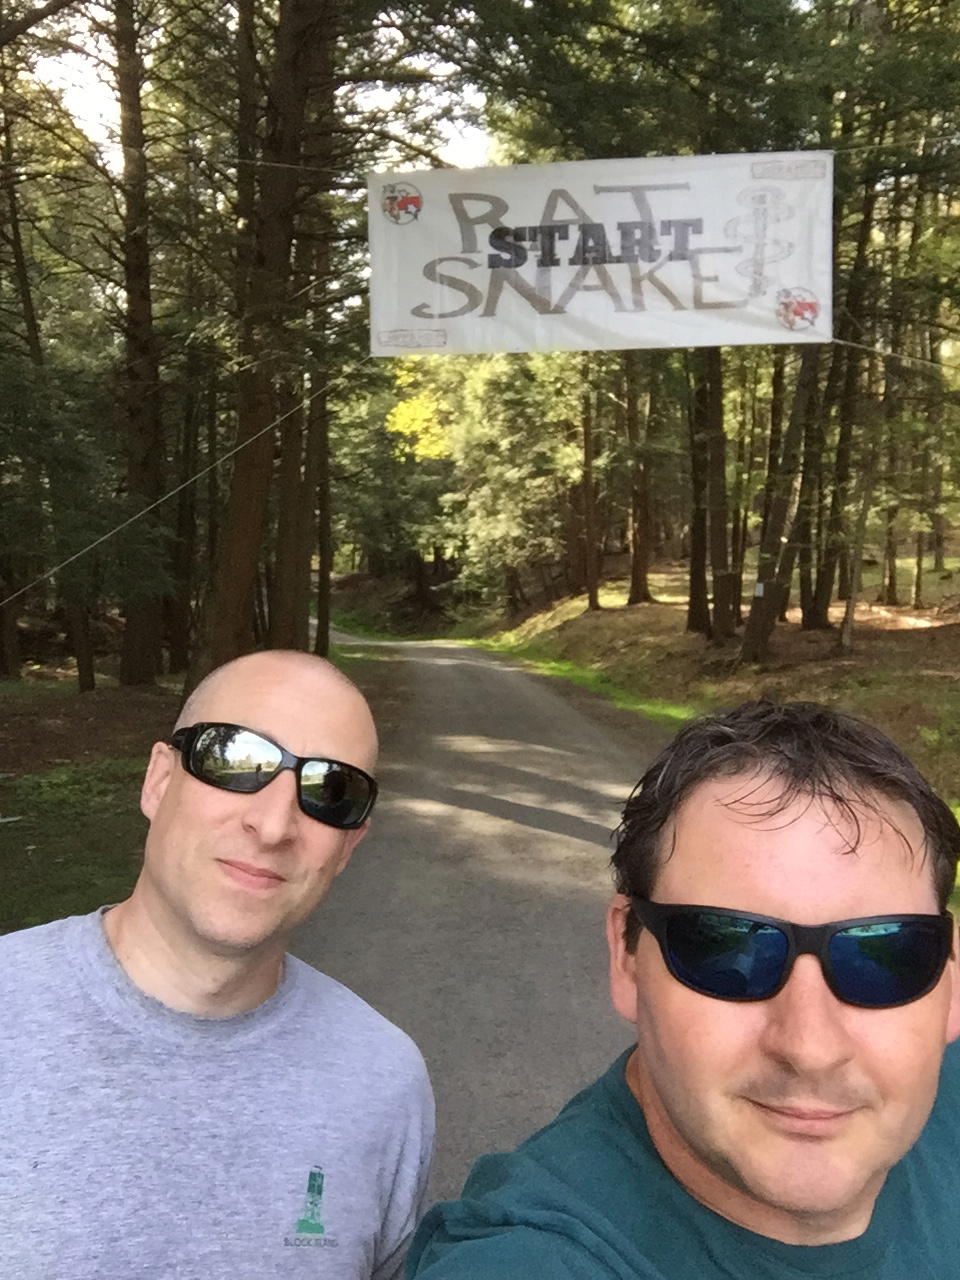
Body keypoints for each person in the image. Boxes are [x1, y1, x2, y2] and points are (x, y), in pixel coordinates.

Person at [407, 701, 960, 1278]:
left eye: (886, 954)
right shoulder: (527, 1260)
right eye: (728, 947)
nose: (809, 1048)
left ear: (951, 974)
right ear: (626, 955)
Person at [0, 649, 434, 1280]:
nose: (274, 825)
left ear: (348, 846)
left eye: (331, 791)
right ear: (158, 781)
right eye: (236, 759)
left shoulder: (387, 1084)